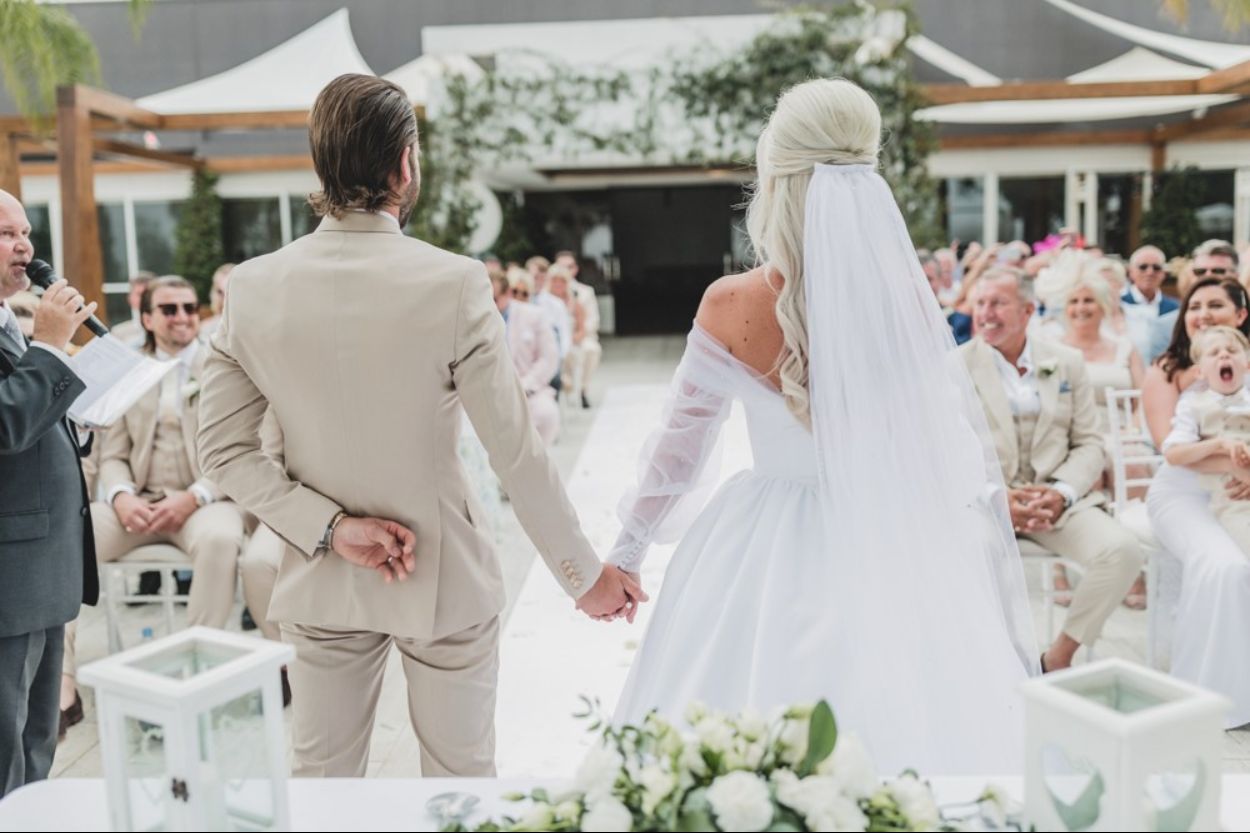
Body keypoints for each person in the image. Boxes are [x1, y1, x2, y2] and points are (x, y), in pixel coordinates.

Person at [196, 74, 642, 778]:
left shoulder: (251, 287)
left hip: (323, 576)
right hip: (442, 577)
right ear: (405, 163)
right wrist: (582, 575)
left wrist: (331, 527)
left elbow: (220, 450)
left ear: (322, 165)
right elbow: (515, 452)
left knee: (324, 786)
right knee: (459, 786)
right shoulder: (455, 281)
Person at [606, 79, 1036, 776]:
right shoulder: (902, 301)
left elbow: (677, 454)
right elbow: (934, 443)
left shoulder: (730, 303)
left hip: (759, 545)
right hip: (890, 531)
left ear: (777, 180)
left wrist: (625, 554)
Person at [0, 189, 99, 796]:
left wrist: (76, 422)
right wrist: (50, 347)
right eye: (6, 234)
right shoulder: (32, 330)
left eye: (27, 232)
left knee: (39, 744)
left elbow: (32, 421)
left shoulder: (9, 317)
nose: (25, 247)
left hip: (43, 567)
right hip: (9, 580)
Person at [1145, 277, 1250, 730]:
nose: (1202, 314)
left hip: (1237, 490)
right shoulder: (1165, 372)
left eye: (1215, 305)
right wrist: (1235, 462)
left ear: (1241, 316)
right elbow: (1169, 451)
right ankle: (1213, 699)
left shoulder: (1241, 369)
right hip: (1183, 493)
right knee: (1226, 567)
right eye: (1194, 306)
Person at [1161, 325, 1250, 553]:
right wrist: (1219, 444)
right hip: (1233, 499)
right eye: (1214, 353)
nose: (1224, 354)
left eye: (1232, 349)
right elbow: (1174, 454)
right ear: (1200, 372)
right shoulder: (1193, 405)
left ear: (1246, 364)